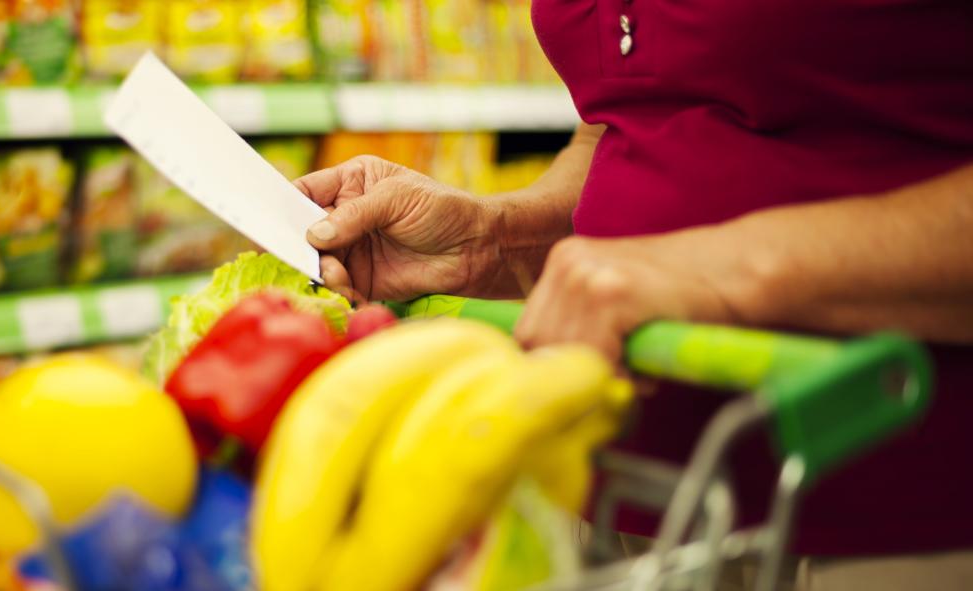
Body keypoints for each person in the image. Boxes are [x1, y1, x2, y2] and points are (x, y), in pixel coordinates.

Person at [293, 1, 973, 589]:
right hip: (637, 498)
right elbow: (628, 121)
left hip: (894, 516)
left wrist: (715, 270)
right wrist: (499, 235)